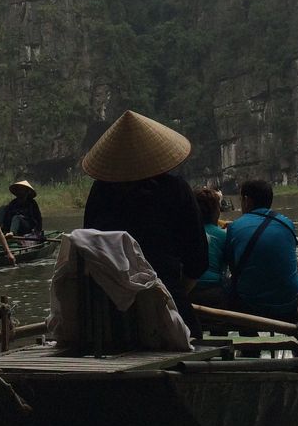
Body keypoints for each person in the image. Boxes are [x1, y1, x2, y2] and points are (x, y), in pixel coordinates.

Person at [82, 110, 208, 336]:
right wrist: (165, 294)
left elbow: (89, 246)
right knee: (192, 335)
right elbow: (197, 259)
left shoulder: (100, 192)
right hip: (166, 297)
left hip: (108, 313)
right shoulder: (175, 189)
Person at [224, 179, 298, 323]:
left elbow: (232, 266)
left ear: (247, 201)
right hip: (290, 306)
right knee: (297, 267)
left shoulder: (235, 227)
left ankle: (247, 333)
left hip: (249, 307)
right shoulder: (287, 223)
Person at [190, 187, 229, 307]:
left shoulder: (186, 233)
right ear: (216, 211)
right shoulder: (224, 235)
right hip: (214, 290)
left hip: (188, 288)